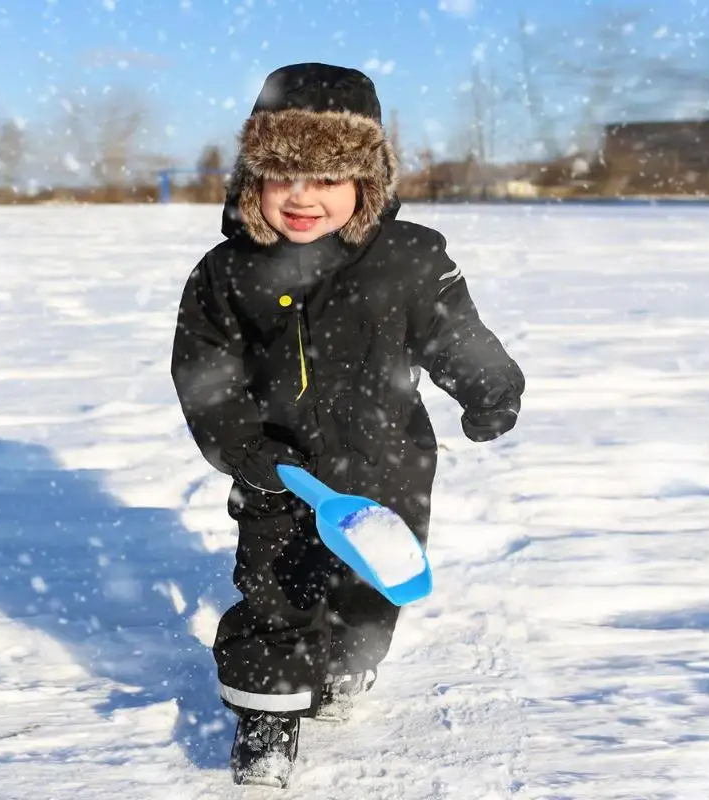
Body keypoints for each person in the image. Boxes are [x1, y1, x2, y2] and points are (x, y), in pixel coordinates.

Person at [171, 62, 525, 788]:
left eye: (328, 177)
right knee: (273, 590)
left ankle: (345, 665)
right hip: (280, 473)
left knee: (370, 591)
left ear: (368, 181)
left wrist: (489, 388)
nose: (302, 198)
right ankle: (268, 715)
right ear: (250, 181)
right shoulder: (227, 272)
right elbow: (205, 373)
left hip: (387, 465)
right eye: (281, 176)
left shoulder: (410, 259)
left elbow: (455, 335)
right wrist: (244, 449)